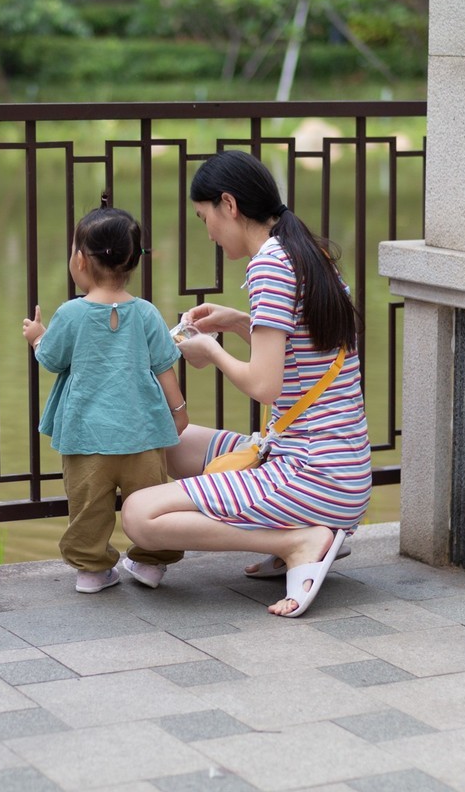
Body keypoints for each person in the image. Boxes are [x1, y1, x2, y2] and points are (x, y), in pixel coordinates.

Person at [120, 150, 371, 618]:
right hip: (337, 467)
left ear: (229, 205)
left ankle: (299, 541)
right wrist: (238, 322)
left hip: (312, 473)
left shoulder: (269, 265)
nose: (209, 232)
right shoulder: (304, 251)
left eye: (205, 218)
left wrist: (211, 352)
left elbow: (265, 385)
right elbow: (302, 351)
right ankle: (307, 530)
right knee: (166, 440)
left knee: (139, 515)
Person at [22, 203, 189, 594]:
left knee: (88, 507)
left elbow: (52, 359)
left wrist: (37, 336)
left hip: (86, 436)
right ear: (132, 260)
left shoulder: (71, 314)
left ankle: (91, 570)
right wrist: (179, 412)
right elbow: (164, 367)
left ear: (80, 260)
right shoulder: (146, 313)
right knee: (150, 500)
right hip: (142, 434)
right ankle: (151, 563)